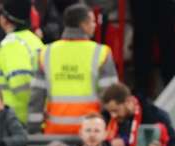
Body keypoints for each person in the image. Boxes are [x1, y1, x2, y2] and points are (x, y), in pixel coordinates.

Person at [28, 3, 117, 134]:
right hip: (90, 133)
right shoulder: (101, 53)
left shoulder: (46, 53)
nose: (95, 25)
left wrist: (33, 131)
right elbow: (111, 96)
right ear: (84, 25)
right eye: (92, 21)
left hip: (55, 131)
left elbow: (37, 97)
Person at [0, 0, 44, 125]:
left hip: (14, 118)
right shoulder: (33, 39)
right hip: (27, 116)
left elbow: (21, 84)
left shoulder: (12, 44)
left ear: (5, 20)